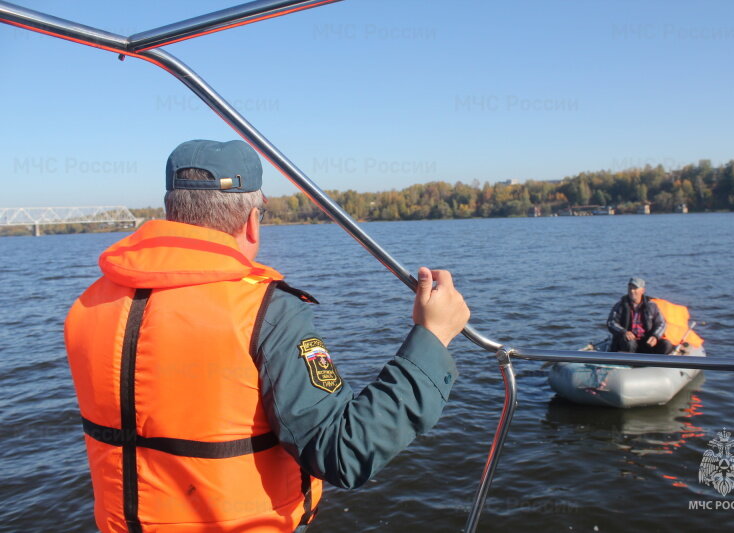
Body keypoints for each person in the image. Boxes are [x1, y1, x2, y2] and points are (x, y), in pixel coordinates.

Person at [64, 139, 471, 532]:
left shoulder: (88, 305)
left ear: (172, 209)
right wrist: (431, 339)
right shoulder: (263, 310)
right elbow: (344, 451)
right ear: (252, 222)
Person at [606, 277, 673, 354]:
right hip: (628, 341)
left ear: (642, 290)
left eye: (635, 288)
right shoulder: (620, 305)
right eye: (630, 288)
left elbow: (661, 323)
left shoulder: (652, 306)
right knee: (630, 343)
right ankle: (630, 362)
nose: (632, 291)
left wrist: (655, 336)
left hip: (646, 340)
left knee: (667, 345)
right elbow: (611, 322)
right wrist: (624, 332)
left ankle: (656, 364)